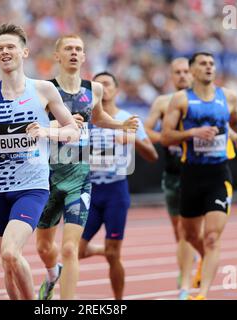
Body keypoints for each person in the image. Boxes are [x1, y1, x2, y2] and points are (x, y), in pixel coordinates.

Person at [0, 23, 79, 300]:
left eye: (10, 46)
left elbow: (73, 131)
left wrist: (47, 131)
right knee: (7, 262)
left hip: (32, 187)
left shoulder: (43, 90)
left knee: (11, 253)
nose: (5, 52)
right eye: (0, 48)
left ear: (24, 52)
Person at [36, 35, 139, 300]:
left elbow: (100, 116)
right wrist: (61, 127)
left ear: (84, 57)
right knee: (45, 247)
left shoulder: (94, 90)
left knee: (70, 249)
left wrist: (120, 125)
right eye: (68, 48)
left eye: (78, 49)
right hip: (48, 179)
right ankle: (51, 273)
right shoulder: (43, 89)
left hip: (80, 179)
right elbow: (34, 129)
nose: (74, 53)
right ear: (57, 56)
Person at [161, 52, 237, 300]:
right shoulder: (181, 100)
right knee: (190, 235)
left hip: (219, 175)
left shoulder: (227, 97)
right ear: (192, 70)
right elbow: (165, 136)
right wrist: (192, 132)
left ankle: (202, 294)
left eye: (211, 64)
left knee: (213, 237)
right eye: (203, 64)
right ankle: (201, 265)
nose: (208, 67)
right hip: (191, 174)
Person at [78, 71, 158, 300]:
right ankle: (109, 250)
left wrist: (131, 138)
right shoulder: (83, 119)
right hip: (90, 192)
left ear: (116, 90)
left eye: (107, 84)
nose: (102, 88)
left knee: (114, 257)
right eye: (98, 85)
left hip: (115, 192)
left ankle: (119, 301)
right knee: (76, 251)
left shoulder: (128, 119)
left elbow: (152, 155)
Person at [144, 57, 199, 300]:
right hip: (173, 174)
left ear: (193, 73)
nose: (183, 76)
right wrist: (166, 138)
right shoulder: (163, 101)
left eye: (186, 71)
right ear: (171, 75)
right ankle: (187, 265)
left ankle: (185, 282)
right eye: (177, 72)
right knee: (179, 232)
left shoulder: (202, 101)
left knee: (192, 231)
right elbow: (145, 129)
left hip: (197, 173)